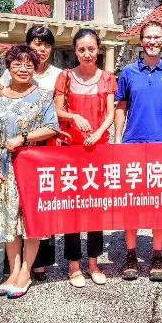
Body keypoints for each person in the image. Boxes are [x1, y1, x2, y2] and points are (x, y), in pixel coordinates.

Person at [0, 44, 59, 299]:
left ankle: (25, 272)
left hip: (32, 165)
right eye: (17, 64)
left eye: (29, 65)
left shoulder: (43, 96)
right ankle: (12, 271)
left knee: (31, 220)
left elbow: (52, 127)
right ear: (8, 67)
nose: (23, 69)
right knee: (8, 219)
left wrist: (23, 137)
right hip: (3, 167)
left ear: (35, 68)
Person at [114, 20, 162, 282]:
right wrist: (118, 140)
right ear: (141, 40)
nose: (152, 42)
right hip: (133, 145)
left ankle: (157, 254)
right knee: (131, 203)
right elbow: (121, 107)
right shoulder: (129, 72)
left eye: (157, 37)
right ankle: (131, 253)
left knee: (159, 203)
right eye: (148, 37)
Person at [54, 28, 117, 287]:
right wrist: (75, 116)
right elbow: (58, 110)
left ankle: (93, 262)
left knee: (95, 208)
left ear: (98, 50)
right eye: (82, 49)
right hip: (71, 150)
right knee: (72, 208)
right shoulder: (65, 77)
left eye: (91, 49)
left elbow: (111, 114)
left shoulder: (107, 78)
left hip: (98, 150)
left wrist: (99, 133)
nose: (87, 54)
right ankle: (73, 264)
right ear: (75, 51)